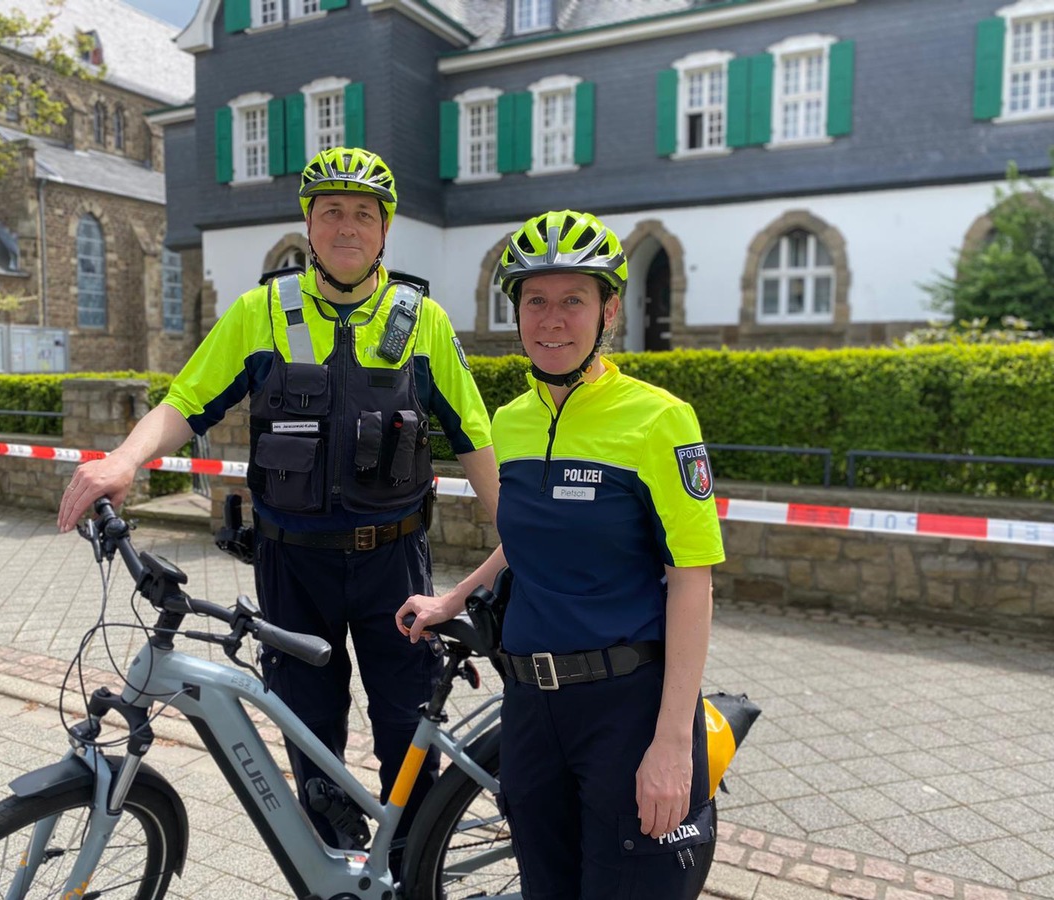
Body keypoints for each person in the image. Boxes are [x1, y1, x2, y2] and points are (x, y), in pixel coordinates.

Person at [57, 146, 498, 848]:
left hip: (394, 566)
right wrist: (122, 459)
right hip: (293, 566)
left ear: (385, 229)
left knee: (407, 728)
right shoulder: (260, 312)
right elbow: (186, 402)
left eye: (363, 214)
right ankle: (335, 859)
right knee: (306, 729)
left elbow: (475, 439)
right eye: (331, 213)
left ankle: (413, 862)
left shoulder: (425, 322)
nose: (346, 227)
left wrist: (523, 546)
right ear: (309, 224)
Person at [396, 210, 725, 899]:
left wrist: (670, 747)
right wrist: (454, 597)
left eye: (572, 300)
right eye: (535, 301)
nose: (551, 320)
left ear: (608, 311)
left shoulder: (660, 420)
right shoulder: (510, 422)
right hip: (530, 712)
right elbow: (528, 537)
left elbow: (690, 582)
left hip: (626, 709)